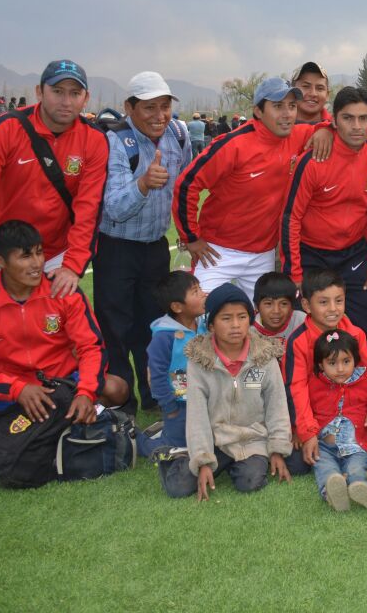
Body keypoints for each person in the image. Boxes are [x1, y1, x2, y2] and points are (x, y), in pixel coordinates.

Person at [0, 220, 129, 461]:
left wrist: (85, 392)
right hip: (8, 389)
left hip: (60, 383)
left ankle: (63, 415)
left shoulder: (63, 291)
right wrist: (15, 389)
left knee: (118, 389)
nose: (37, 264)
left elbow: (91, 347)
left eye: (39, 253)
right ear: (0, 261)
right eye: (25, 257)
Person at [0, 60, 109, 305]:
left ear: (85, 98)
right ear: (39, 92)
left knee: (53, 339)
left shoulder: (95, 140)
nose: (66, 102)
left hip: (53, 255)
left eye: (74, 93)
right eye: (57, 91)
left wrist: (73, 266)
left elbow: (89, 209)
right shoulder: (6, 128)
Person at [174, 76, 330, 299]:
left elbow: (333, 124)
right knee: (201, 316)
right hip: (218, 251)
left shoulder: (298, 135)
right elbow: (186, 185)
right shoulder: (233, 144)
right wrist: (190, 237)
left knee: (262, 322)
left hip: (263, 254)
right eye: (278, 106)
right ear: (258, 111)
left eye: (292, 106)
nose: (287, 114)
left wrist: (324, 129)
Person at [94, 72, 191, 414]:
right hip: (116, 248)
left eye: (165, 106)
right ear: (129, 108)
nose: (159, 115)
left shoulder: (178, 134)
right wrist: (144, 184)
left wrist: (187, 232)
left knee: (155, 325)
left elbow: (185, 189)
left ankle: (156, 394)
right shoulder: (116, 141)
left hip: (154, 248)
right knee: (115, 327)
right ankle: (122, 401)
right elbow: (114, 208)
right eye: (150, 107)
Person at [158, 284, 293, 499]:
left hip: (252, 438)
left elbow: (277, 405)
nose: (236, 325)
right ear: (211, 325)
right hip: (215, 439)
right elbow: (197, 416)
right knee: (179, 487)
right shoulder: (199, 361)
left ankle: (237, 464)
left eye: (242, 317)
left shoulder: (264, 356)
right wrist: (202, 460)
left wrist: (277, 448)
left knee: (250, 481)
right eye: (226, 318)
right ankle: (178, 456)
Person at [281, 86, 367, 339]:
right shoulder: (312, 161)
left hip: (353, 253)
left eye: (363, 118)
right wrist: (295, 272)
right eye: (348, 118)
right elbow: (291, 218)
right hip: (311, 255)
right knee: (305, 327)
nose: (356, 126)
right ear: (334, 120)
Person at [283, 268, 367, 475]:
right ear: (306, 305)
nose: (333, 309)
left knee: (364, 446)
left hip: (355, 415)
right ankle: (332, 470)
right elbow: (296, 389)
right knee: (298, 464)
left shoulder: (355, 334)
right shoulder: (298, 341)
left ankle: (355, 472)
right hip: (317, 417)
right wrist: (307, 432)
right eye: (323, 302)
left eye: (339, 300)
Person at [305, 329, 367, 511]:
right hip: (323, 446)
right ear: (321, 364)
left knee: (357, 467)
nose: (340, 369)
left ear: (355, 361)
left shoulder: (364, 382)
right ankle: (332, 490)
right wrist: (298, 431)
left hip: (356, 445)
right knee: (325, 468)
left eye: (346, 362)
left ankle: (361, 487)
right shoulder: (313, 384)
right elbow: (303, 409)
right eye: (332, 363)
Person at [143, 271, 207, 457]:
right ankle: (138, 440)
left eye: (200, 288)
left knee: (208, 440)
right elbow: (157, 376)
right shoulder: (164, 336)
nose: (203, 293)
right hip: (180, 404)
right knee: (177, 447)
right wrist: (170, 408)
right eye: (196, 291)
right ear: (177, 307)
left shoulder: (204, 324)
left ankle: (165, 430)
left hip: (206, 399)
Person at [251, 271, 306, 345]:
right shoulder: (248, 331)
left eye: (283, 304)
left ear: (292, 305)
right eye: (268, 304)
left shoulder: (302, 321)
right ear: (256, 306)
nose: (276, 311)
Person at [292, 61, 331, 126]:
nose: (313, 94)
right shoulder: (275, 127)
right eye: (306, 86)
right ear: (292, 91)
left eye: (320, 88)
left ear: (327, 95)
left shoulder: (337, 128)